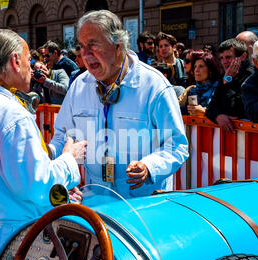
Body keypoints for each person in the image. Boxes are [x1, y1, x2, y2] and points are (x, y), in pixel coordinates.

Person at [0, 29, 87, 260]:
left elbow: (6, 170)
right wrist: (70, 160)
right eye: (29, 60)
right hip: (16, 239)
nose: (32, 68)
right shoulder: (13, 114)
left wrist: (52, 165)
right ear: (15, 61)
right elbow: (36, 184)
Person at [48, 10, 188, 198]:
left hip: (144, 202)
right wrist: (47, 154)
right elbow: (63, 138)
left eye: (93, 45)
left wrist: (150, 166)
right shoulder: (79, 87)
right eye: (82, 46)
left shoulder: (154, 86)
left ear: (118, 45)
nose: (86, 54)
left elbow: (176, 145)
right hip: (95, 199)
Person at [206, 38, 255, 132]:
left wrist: (228, 82)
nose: (224, 62)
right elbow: (211, 107)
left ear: (243, 56)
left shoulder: (252, 75)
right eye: (221, 58)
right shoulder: (225, 74)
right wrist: (218, 116)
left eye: (228, 57)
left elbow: (234, 110)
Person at [178, 51, 221, 116]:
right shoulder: (191, 90)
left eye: (201, 66)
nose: (196, 70)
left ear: (210, 70)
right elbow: (175, 108)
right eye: (195, 66)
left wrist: (204, 112)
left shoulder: (220, 89)